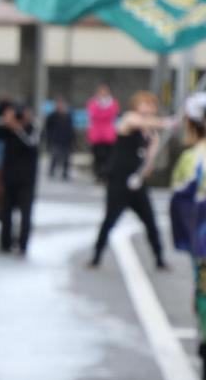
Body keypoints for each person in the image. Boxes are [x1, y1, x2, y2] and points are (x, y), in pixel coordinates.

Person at [90, 91, 169, 269]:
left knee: (150, 221)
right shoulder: (128, 120)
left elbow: (149, 163)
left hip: (137, 184)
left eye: (150, 104)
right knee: (109, 220)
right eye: (144, 103)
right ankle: (96, 256)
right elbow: (137, 121)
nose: (148, 107)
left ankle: (159, 259)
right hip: (118, 181)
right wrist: (167, 122)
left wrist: (147, 164)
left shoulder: (151, 134)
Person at [170, 93, 206, 380]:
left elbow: (180, 204)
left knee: (204, 292)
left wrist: (187, 241)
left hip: (203, 241)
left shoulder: (191, 158)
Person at [0, 101, 39, 255]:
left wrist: (18, 128)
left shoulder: (32, 128)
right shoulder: (7, 129)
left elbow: (31, 143)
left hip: (27, 179)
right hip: (9, 177)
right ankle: (6, 243)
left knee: (25, 213)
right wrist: (5, 122)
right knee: (6, 211)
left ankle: (23, 244)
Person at [87, 84, 119, 183]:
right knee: (97, 156)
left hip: (109, 135)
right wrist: (103, 113)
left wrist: (101, 113)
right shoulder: (93, 102)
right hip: (96, 134)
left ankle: (106, 175)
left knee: (108, 156)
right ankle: (98, 175)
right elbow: (93, 114)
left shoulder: (113, 103)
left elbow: (112, 114)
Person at [43, 98, 75, 181]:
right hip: (55, 139)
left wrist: (72, 140)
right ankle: (51, 171)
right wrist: (49, 138)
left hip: (66, 140)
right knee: (54, 156)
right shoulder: (53, 116)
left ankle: (65, 173)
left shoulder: (68, 116)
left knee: (66, 158)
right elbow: (47, 127)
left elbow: (71, 129)